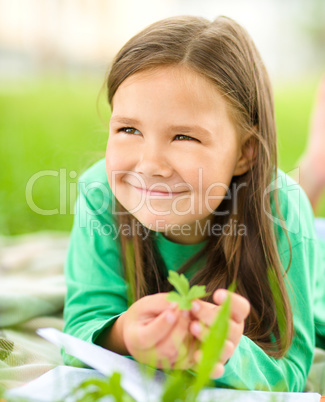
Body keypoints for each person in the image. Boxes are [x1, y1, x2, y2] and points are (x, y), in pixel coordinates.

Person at [62, 15, 324, 392]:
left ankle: (317, 166)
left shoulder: (282, 211)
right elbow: (83, 324)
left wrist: (222, 354)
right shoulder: (98, 191)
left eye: (184, 136)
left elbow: (293, 372)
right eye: (129, 129)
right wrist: (123, 334)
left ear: (244, 153)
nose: (150, 165)